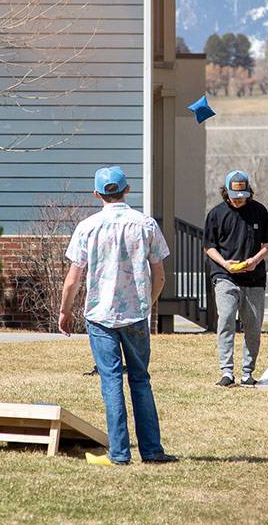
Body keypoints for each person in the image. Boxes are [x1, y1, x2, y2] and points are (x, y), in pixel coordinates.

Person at [58, 166, 178, 465]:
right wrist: (146, 304)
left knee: (111, 381)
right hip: (135, 314)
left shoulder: (87, 226)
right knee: (141, 380)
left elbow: (73, 279)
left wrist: (65, 310)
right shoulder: (145, 224)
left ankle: (120, 454)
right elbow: (159, 276)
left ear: (97, 193)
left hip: (100, 316)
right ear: (127, 190)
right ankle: (152, 450)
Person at [203, 170, 268, 388]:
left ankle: (248, 373)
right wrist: (225, 264)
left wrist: (255, 260)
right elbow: (209, 247)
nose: (239, 200)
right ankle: (227, 372)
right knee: (226, 318)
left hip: (254, 278)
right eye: (235, 196)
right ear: (226, 193)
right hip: (225, 275)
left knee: (253, 326)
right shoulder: (216, 214)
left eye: (243, 195)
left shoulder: (259, 211)